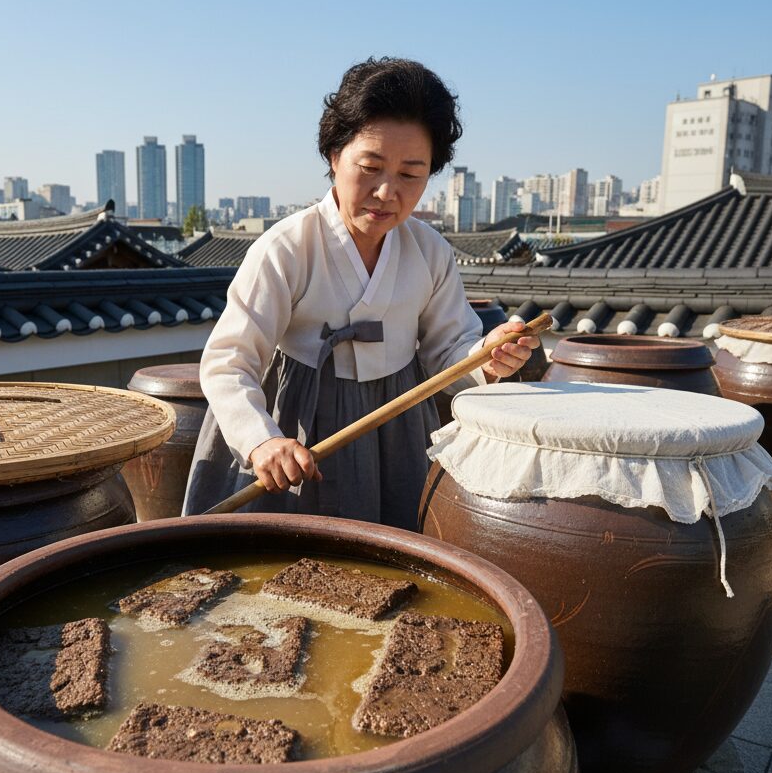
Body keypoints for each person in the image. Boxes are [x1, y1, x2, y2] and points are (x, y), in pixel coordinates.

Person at [183, 57, 537, 529]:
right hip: (297, 425)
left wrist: (486, 357)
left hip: (396, 428)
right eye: (370, 167)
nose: (388, 191)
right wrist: (261, 440)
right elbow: (229, 362)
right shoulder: (286, 248)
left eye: (411, 174)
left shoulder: (429, 250)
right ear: (334, 157)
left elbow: (450, 350)